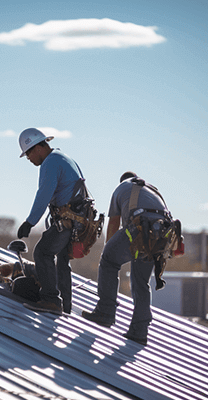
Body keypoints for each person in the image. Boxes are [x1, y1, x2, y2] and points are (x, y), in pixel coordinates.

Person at [82, 172, 176, 345]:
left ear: (122, 180)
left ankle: (105, 312)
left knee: (109, 261)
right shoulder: (151, 190)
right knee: (140, 281)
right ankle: (140, 331)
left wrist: (109, 251)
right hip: (160, 234)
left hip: (141, 226)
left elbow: (113, 224)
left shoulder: (121, 188)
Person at [17, 127, 84, 315]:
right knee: (62, 263)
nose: (29, 159)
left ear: (38, 147)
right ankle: (65, 307)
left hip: (69, 219)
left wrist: (30, 222)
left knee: (42, 253)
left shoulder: (51, 162)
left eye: (28, 154)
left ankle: (51, 300)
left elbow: (44, 194)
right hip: (77, 219)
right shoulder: (62, 157)